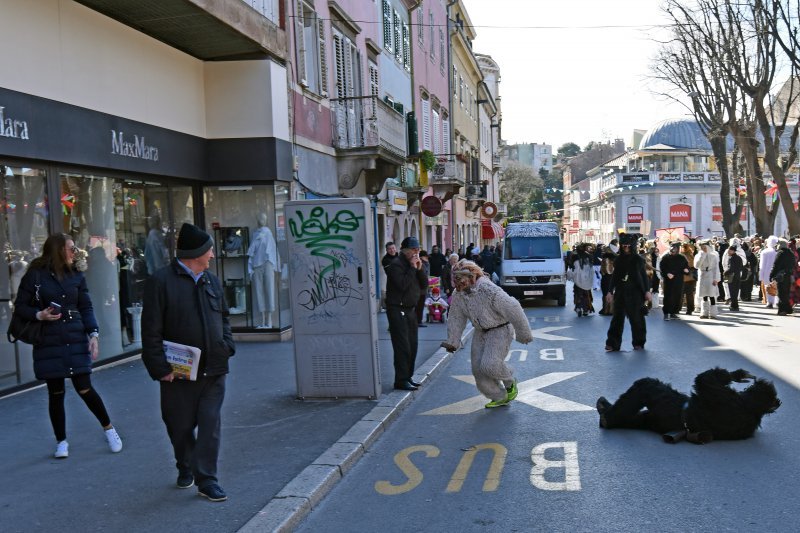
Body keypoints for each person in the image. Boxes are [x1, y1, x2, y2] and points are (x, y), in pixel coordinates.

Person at [142, 223, 236, 502]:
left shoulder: (212, 281)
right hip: (178, 373)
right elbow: (151, 331)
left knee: (210, 424)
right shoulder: (160, 282)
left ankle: (207, 479)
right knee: (179, 426)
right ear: (195, 253)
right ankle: (185, 465)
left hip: (214, 368)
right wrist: (160, 369)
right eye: (209, 251)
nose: (212, 256)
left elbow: (225, 318)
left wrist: (226, 345)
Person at [14, 233, 122, 459]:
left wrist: (93, 334)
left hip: (74, 335)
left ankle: (109, 429)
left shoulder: (76, 275)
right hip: (49, 339)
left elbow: (86, 307)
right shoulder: (35, 276)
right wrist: (39, 314)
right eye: (71, 248)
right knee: (56, 392)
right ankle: (61, 441)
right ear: (58, 250)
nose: (75, 252)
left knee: (84, 386)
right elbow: (21, 307)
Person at [441, 260, 533, 408]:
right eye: (455, 278)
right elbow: (456, 317)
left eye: (459, 278)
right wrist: (453, 340)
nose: (457, 282)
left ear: (471, 275)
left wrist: (524, 333)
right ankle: (498, 396)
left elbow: (513, 307)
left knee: (490, 364)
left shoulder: (488, 289)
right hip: (480, 331)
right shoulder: (459, 294)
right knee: (478, 370)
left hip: (500, 329)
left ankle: (510, 381)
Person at [385, 236, 428, 391]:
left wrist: (420, 269)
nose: (416, 252)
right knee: (402, 347)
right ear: (405, 251)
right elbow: (402, 285)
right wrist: (411, 268)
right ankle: (401, 380)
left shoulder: (414, 264)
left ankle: (408, 376)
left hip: (410, 310)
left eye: (417, 249)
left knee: (413, 346)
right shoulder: (396, 265)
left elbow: (424, 284)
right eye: (414, 250)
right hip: (397, 310)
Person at [605, 233, 651, 351]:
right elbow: (614, 277)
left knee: (637, 319)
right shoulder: (618, 260)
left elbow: (644, 277)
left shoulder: (639, 260)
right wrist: (610, 291)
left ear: (633, 246)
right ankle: (612, 343)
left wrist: (647, 291)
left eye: (628, 246)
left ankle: (639, 342)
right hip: (621, 293)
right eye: (624, 246)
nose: (626, 248)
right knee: (617, 319)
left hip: (636, 294)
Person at [248, 213, 280, 328]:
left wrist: (276, 266)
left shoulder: (268, 233)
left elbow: (273, 250)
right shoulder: (255, 234)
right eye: (260, 218)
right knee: (259, 291)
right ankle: (262, 320)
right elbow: (252, 251)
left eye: (264, 219)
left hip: (267, 264)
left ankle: (269, 319)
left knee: (269, 289)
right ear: (257, 220)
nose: (262, 220)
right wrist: (250, 266)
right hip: (257, 265)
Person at [659, 242, 689, 320]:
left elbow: (686, 267)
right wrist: (667, 274)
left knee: (677, 296)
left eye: (675, 248)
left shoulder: (682, 258)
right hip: (669, 281)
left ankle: (673, 312)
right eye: (672, 248)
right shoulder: (665, 257)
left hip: (679, 280)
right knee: (668, 296)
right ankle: (666, 313)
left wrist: (686, 270)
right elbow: (662, 268)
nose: (673, 250)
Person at [695, 239, 721, 319]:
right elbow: (697, 265)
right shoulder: (698, 255)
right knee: (704, 295)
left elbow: (716, 268)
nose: (703, 249)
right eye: (702, 247)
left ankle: (713, 313)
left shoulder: (713, 256)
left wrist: (716, 279)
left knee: (712, 295)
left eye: (705, 247)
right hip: (702, 275)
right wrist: (702, 255)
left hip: (710, 275)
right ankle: (704, 313)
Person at [770, 239, 795, 316]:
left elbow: (776, 265)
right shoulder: (791, 253)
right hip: (788, 275)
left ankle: (782, 310)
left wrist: (772, 275)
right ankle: (788, 309)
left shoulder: (780, 253)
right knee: (786, 292)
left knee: (781, 293)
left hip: (780, 275)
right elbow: (793, 264)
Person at [570, 242, 595, 317]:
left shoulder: (575, 256)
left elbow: (573, 268)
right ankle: (586, 309)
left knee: (578, 293)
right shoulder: (589, 256)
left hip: (578, 279)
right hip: (586, 279)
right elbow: (591, 269)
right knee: (586, 293)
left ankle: (578, 307)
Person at [758, 235, 779, 309]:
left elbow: (762, 265)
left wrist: (761, 275)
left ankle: (769, 302)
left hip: (766, 272)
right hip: (775, 272)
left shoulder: (764, 252)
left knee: (768, 287)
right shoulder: (777, 252)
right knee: (775, 287)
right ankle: (776, 302)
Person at [723, 245, 744, 312]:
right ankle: (735, 305)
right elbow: (741, 267)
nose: (728, 252)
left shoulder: (731, 258)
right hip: (738, 276)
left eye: (729, 250)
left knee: (732, 292)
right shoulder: (739, 258)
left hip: (732, 277)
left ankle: (733, 305)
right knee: (736, 291)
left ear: (733, 251)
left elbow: (731, 269)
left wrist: (725, 272)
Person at [680, 242, 697, 315]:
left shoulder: (690, 255)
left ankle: (689, 309)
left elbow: (693, 265)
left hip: (689, 278)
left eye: (685, 246)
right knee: (683, 294)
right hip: (684, 278)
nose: (684, 248)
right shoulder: (688, 255)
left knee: (688, 294)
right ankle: (681, 308)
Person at [416, 250, 431, 327]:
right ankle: (418, 321)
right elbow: (422, 276)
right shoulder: (421, 264)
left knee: (421, 305)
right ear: (422, 257)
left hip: (424, 287)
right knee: (419, 305)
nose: (427, 258)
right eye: (426, 257)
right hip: (420, 288)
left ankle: (419, 320)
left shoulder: (426, 263)